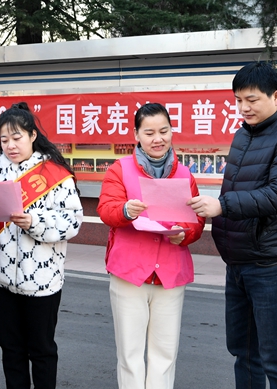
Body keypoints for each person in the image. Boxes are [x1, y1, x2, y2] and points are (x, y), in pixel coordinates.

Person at [187, 62, 277, 389]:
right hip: (239, 262)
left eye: (252, 100)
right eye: (239, 100)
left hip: (272, 265)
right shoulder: (243, 134)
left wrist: (222, 206)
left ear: (276, 97)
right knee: (243, 354)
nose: (244, 108)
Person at [0, 102, 83, 389]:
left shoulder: (54, 173)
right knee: (11, 349)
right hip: (1, 277)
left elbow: (72, 222)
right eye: (4, 139)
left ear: (32, 135)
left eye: (17, 137)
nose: (10, 145)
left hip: (42, 280)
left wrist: (34, 222)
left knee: (42, 350)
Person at [97, 103, 205, 389]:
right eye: (149, 133)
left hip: (170, 274)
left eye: (164, 131)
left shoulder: (185, 174)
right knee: (130, 355)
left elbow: (197, 220)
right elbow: (106, 209)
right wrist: (125, 210)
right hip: (130, 273)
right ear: (136, 135)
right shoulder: (119, 170)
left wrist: (187, 234)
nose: (158, 139)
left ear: (171, 131)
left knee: (164, 355)